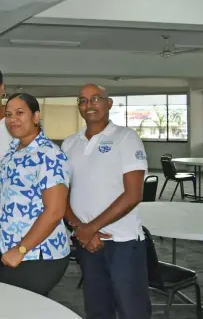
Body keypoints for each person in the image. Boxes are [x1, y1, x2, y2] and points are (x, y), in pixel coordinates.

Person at [62, 84, 151, 319]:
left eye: (95, 99)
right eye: (82, 100)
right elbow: (63, 193)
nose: (89, 105)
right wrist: (79, 228)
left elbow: (133, 195)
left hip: (122, 242)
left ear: (108, 103)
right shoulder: (70, 143)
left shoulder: (126, 138)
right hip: (86, 242)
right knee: (97, 308)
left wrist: (91, 228)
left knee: (132, 309)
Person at [0, 93, 71, 296]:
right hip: (9, 249)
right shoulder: (12, 151)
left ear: (36, 117)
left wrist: (21, 249)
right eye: (8, 114)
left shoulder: (49, 155)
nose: (13, 119)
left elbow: (55, 211)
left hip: (37, 254)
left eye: (20, 113)